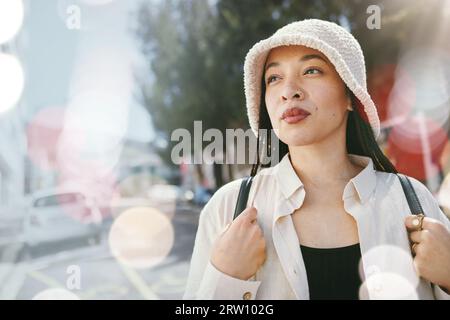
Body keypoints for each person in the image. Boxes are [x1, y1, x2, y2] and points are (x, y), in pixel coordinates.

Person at [183, 19, 450, 300]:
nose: (289, 91)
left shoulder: (412, 202)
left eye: (311, 70)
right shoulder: (228, 209)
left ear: (350, 95)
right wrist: (225, 278)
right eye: (273, 78)